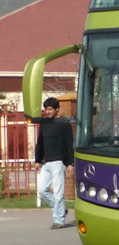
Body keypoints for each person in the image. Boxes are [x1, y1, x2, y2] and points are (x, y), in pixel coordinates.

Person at [34, 97, 74, 229]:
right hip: (46, 163)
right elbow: (40, 143)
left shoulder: (63, 123)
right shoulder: (44, 124)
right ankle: (61, 210)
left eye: (50, 109)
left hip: (58, 162)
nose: (47, 111)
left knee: (58, 192)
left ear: (57, 110)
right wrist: (37, 160)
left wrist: (70, 163)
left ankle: (59, 220)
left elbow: (69, 144)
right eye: (46, 109)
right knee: (42, 190)